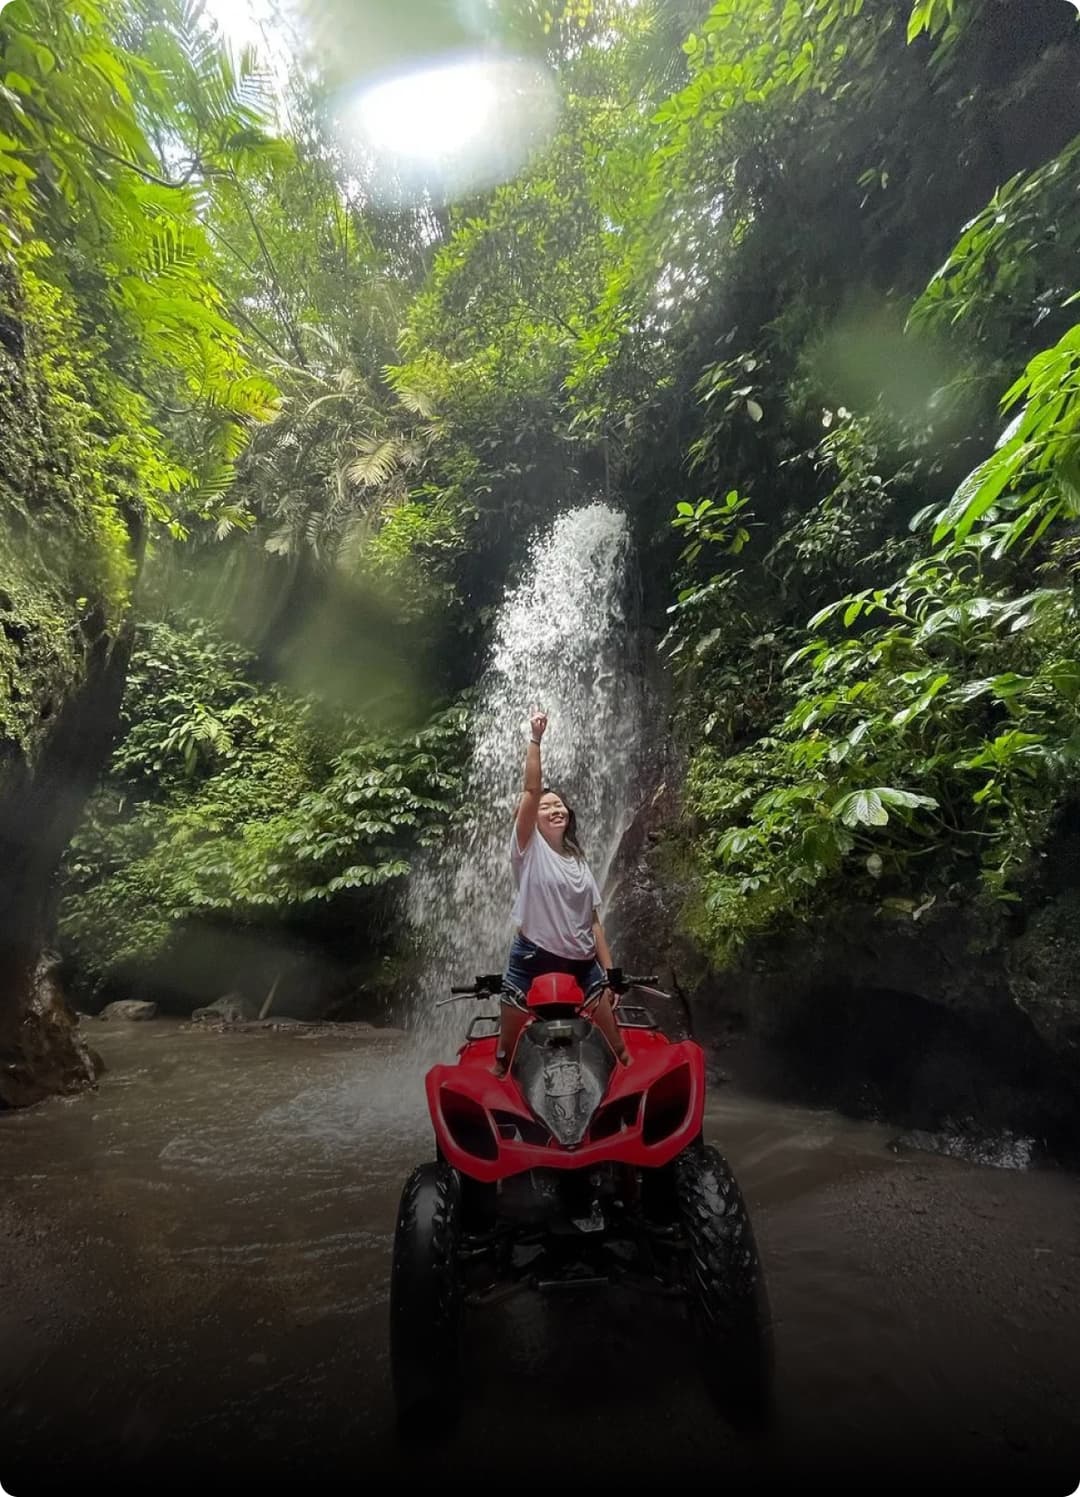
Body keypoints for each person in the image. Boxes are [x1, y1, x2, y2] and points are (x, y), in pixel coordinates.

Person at [493, 707, 631, 1077]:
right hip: (533, 954)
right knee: (504, 1047)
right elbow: (531, 789)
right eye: (546, 806)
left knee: (618, 1044)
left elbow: (594, 920)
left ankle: (623, 1076)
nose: (555, 809)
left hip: (581, 958)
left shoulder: (577, 859)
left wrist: (611, 969)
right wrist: (536, 740)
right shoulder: (527, 848)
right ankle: (503, 1065)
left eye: (559, 806)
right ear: (532, 817)